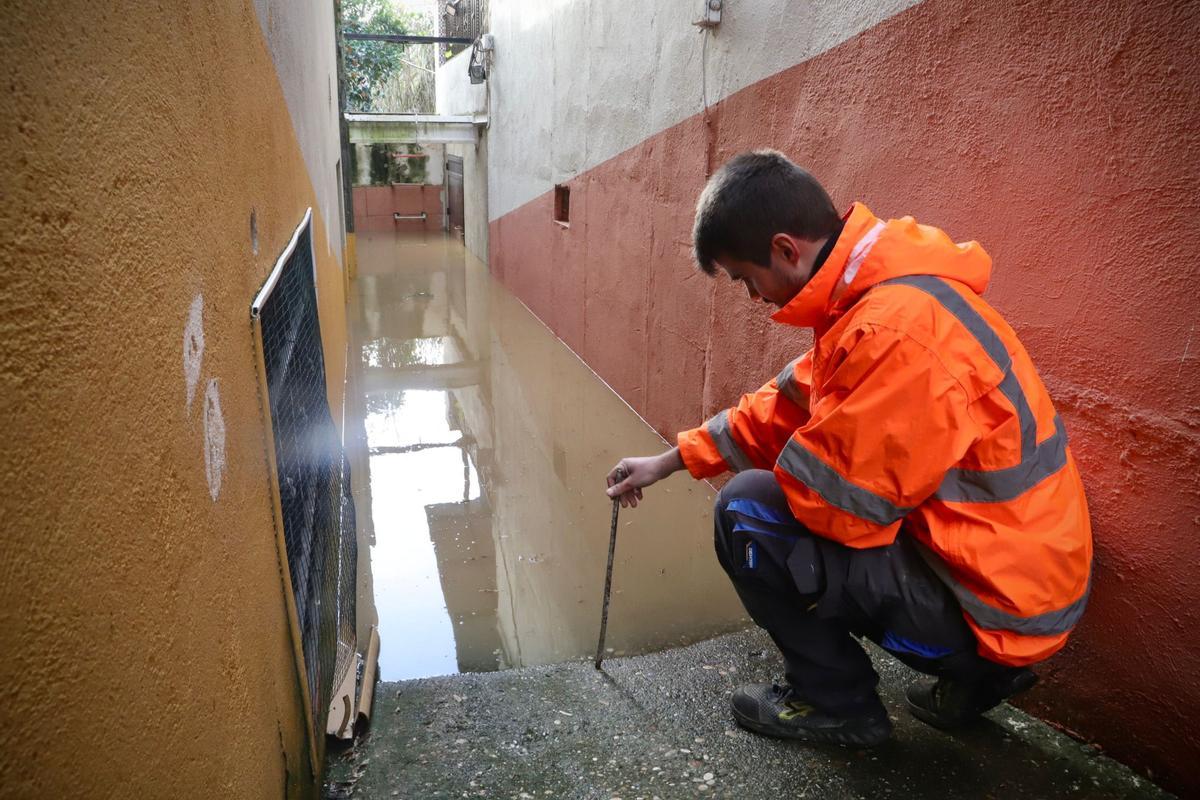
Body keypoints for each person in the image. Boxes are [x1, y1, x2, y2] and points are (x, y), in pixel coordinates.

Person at [605, 150, 1092, 747]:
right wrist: (666, 462)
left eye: (744, 278)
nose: (754, 297)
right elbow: (782, 406)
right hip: (1018, 585)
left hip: (997, 616)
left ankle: (837, 703)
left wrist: (801, 458)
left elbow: (833, 511)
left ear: (785, 249)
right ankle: (976, 685)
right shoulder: (888, 298)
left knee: (746, 511)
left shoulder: (893, 331)